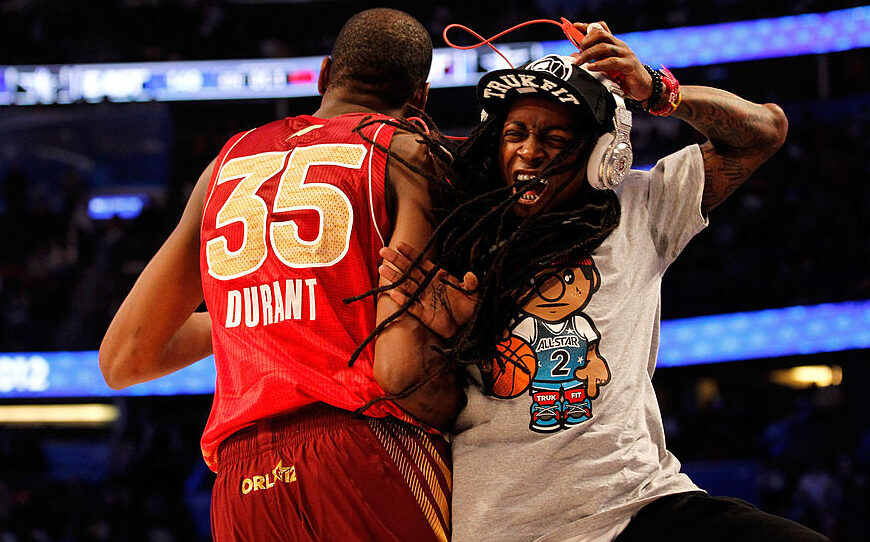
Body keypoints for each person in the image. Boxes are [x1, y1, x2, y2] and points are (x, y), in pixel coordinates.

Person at [378, 21, 829, 542]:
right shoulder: (461, 237)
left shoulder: (640, 207)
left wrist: (658, 91)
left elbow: (765, 132)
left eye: (554, 138)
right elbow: (427, 399)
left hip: (639, 504)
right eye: (515, 134)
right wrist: (456, 337)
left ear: (601, 157)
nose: (529, 151)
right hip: (510, 528)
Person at [99, 8, 462, 542]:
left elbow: (125, 358)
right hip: (366, 446)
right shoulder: (408, 152)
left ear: (322, 74)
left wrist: (264, 315)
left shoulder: (226, 162)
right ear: (422, 99)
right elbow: (399, 370)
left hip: (244, 482)